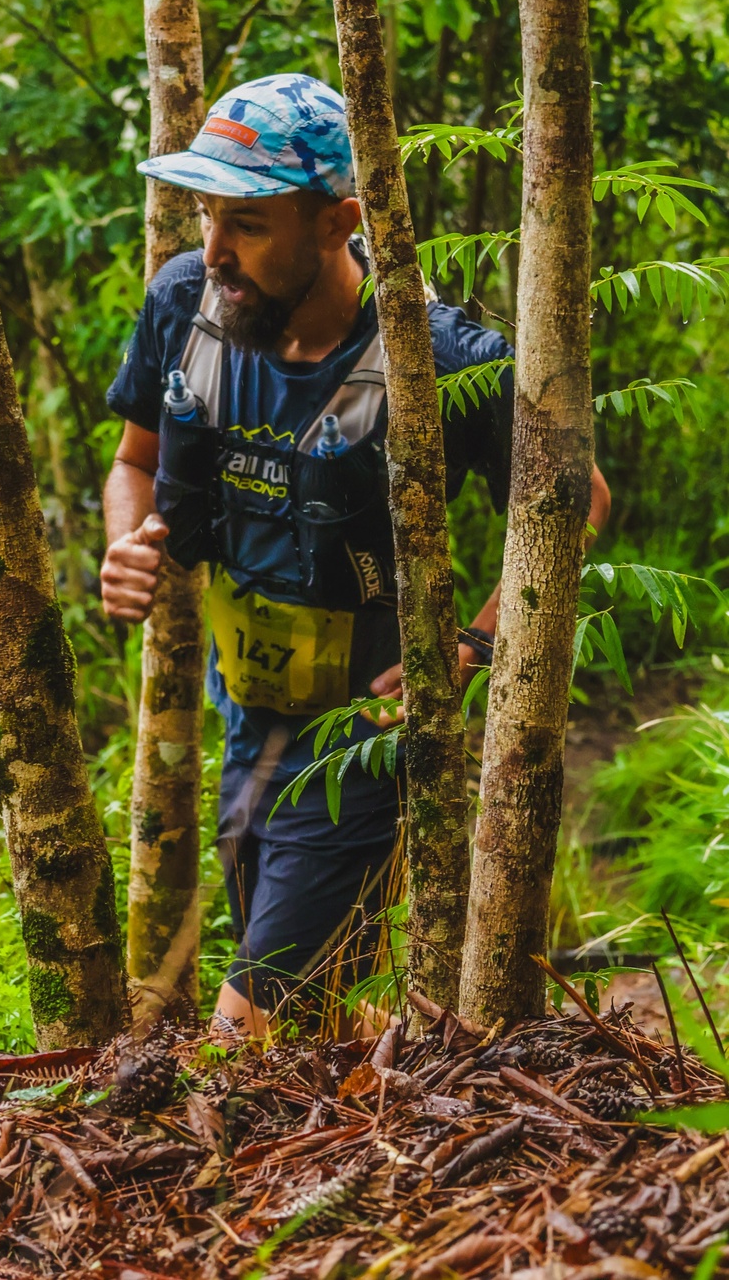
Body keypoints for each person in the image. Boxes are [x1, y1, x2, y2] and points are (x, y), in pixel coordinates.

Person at [102, 73, 611, 1035]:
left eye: (246, 224)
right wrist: (127, 541)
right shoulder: (188, 304)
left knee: (241, 1033)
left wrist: (465, 654)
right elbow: (133, 460)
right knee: (308, 1004)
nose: (214, 252)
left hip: (369, 735)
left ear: (338, 221)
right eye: (208, 217)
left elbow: (573, 504)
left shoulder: (443, 358)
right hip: (248, 714)